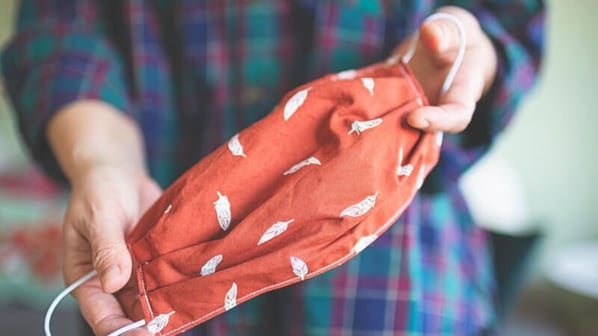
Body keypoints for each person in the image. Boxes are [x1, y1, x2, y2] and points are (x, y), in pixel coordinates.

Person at [2, 1, 544, 335]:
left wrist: (467, 44)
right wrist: (101, 159)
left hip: (396, 288)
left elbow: (511, 19)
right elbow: (62, 27)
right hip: (142, 236)